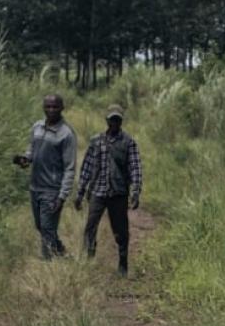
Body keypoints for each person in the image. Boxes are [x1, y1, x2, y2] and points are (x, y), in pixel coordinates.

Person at [74, 104, 143, 277]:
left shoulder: (128, 142)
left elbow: (135, 168)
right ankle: (88, 262)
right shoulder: (96, 141)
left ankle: (123, 263)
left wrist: (135, 191)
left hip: (118, 193)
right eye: (112, 119)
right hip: (98, 191)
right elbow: (87, 167)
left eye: (117, 119)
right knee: (90, 227)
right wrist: (80, 192)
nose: (114, 122)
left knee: (120, 230)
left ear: (121, 121)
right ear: (106, 120)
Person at [13, 94, 76, 260]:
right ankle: (61, 251)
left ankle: (47, 265)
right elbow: (31, 151)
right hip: (35, 187)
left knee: (47, 228)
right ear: (43, 107)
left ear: (62, 108)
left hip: (52, 190)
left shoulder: (66, 134)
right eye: (48, 106)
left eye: (55, 107)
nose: (51, 110)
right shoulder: (37, 127)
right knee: (40, 226)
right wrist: (24, 159)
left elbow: (70, 168)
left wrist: (62, 197)